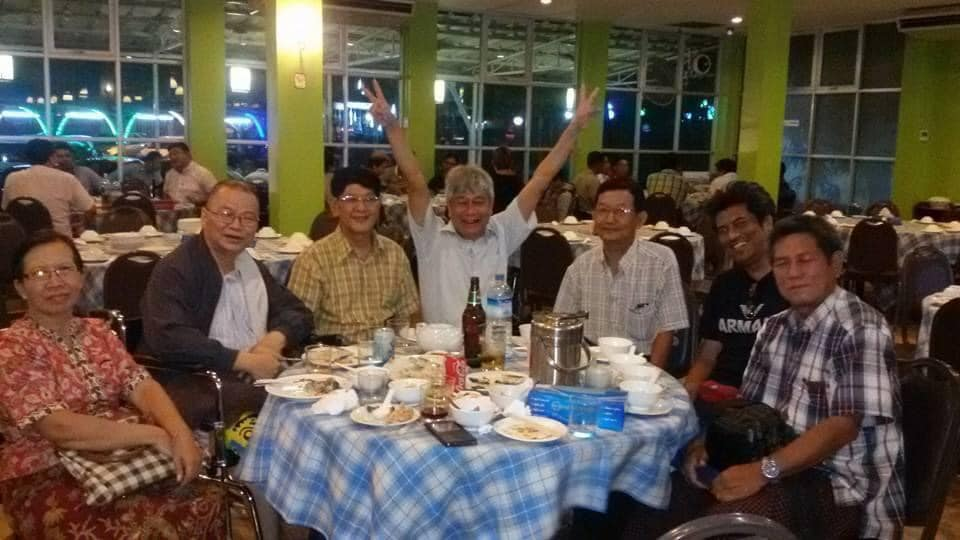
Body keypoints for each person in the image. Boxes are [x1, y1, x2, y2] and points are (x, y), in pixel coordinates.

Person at [656, 215, 904, 539]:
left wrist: (764, 471)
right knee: (658, 498)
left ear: (836, 264)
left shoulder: (861, 328)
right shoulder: (774, 327)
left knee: (725, 528)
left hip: (840, 487)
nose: (793, 273)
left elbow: (843, 426)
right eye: (782, 263)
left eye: (805, 260)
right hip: (773, 466)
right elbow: (747, 408)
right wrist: (708, 445)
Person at [0, 230, 224, 538]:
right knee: (131, 525)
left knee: (205, 499)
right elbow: (56, 427)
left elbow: (141, 385)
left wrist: (180, 434)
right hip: (44, 468)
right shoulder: (12, 347)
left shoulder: (98, 331)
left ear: (81, 277)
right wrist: (153, 434)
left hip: (125, 457)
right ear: (20, 288)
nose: (55, 282)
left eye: (64, 269)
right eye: (39, 273)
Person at [364, 80, 599, 326]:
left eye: (478, 202)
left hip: (493, 345)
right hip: (441, 346)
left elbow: (541, 179)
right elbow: (414, 179)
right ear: (448, 206)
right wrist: (391, 126)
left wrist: (574, 128)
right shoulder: (431, 237)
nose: (470, 211)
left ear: (491, 204)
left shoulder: (502, 231)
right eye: (461, 202)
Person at [141, 180, 313, 426]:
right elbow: (169, 337)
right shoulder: (176, 269)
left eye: (248, 218)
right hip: (197, 380)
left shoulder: (250, 266)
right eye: (226, 214)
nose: (236, 225)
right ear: (204, 217)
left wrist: (272, 341)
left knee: (319, 387)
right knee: (292, 406)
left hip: (255, 372)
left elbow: (297, 312)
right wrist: (244, 361)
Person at [554, 179, 688, 368]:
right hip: (591, 362)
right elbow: (562, 323)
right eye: (602, 211)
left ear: (640, 219)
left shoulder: (661, 261)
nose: (610, 219)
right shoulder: (580, 267)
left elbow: (667, 329)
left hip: (640, 363)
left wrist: (649, 376)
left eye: (621, 211)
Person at [289, 167, 419, 343]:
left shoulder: (394, 254)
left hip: (387, 353)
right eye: (351, 199)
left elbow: (409, 315)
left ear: (379, 205)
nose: (361, 208)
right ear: (336, 207)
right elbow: (296, 324)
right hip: (334, 355)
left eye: (370, 199)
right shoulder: (314, 259)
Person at [684, 182, 788, 398]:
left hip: (769, 399)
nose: (731, 236)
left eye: (740, 224)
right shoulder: (724, 285)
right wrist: (689, 390)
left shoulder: (791, 283)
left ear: (767, 223)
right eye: (723, 230)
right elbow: (708, 355)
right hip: (718, 395)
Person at [1, 138, 94, 237]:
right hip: (59, 240)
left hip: (22, 240)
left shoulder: (12, 178)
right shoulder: (66, 178)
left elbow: (6, 209)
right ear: (51, 157)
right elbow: (91, 209)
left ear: (27, 157)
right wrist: (83, 225)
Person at [488, 146, 523, 214]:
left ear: (493, 163)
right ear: (511, 162)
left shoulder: (489, 183)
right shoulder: (519, 182)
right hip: (515, 216)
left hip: (495, 217)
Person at [573, 151, 609, 216]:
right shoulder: (593, 180)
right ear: (598, 164)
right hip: (588, 215)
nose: (606, 165)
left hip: (577, 214)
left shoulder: (578, 177)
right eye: (604, 163)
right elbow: (597, 202)